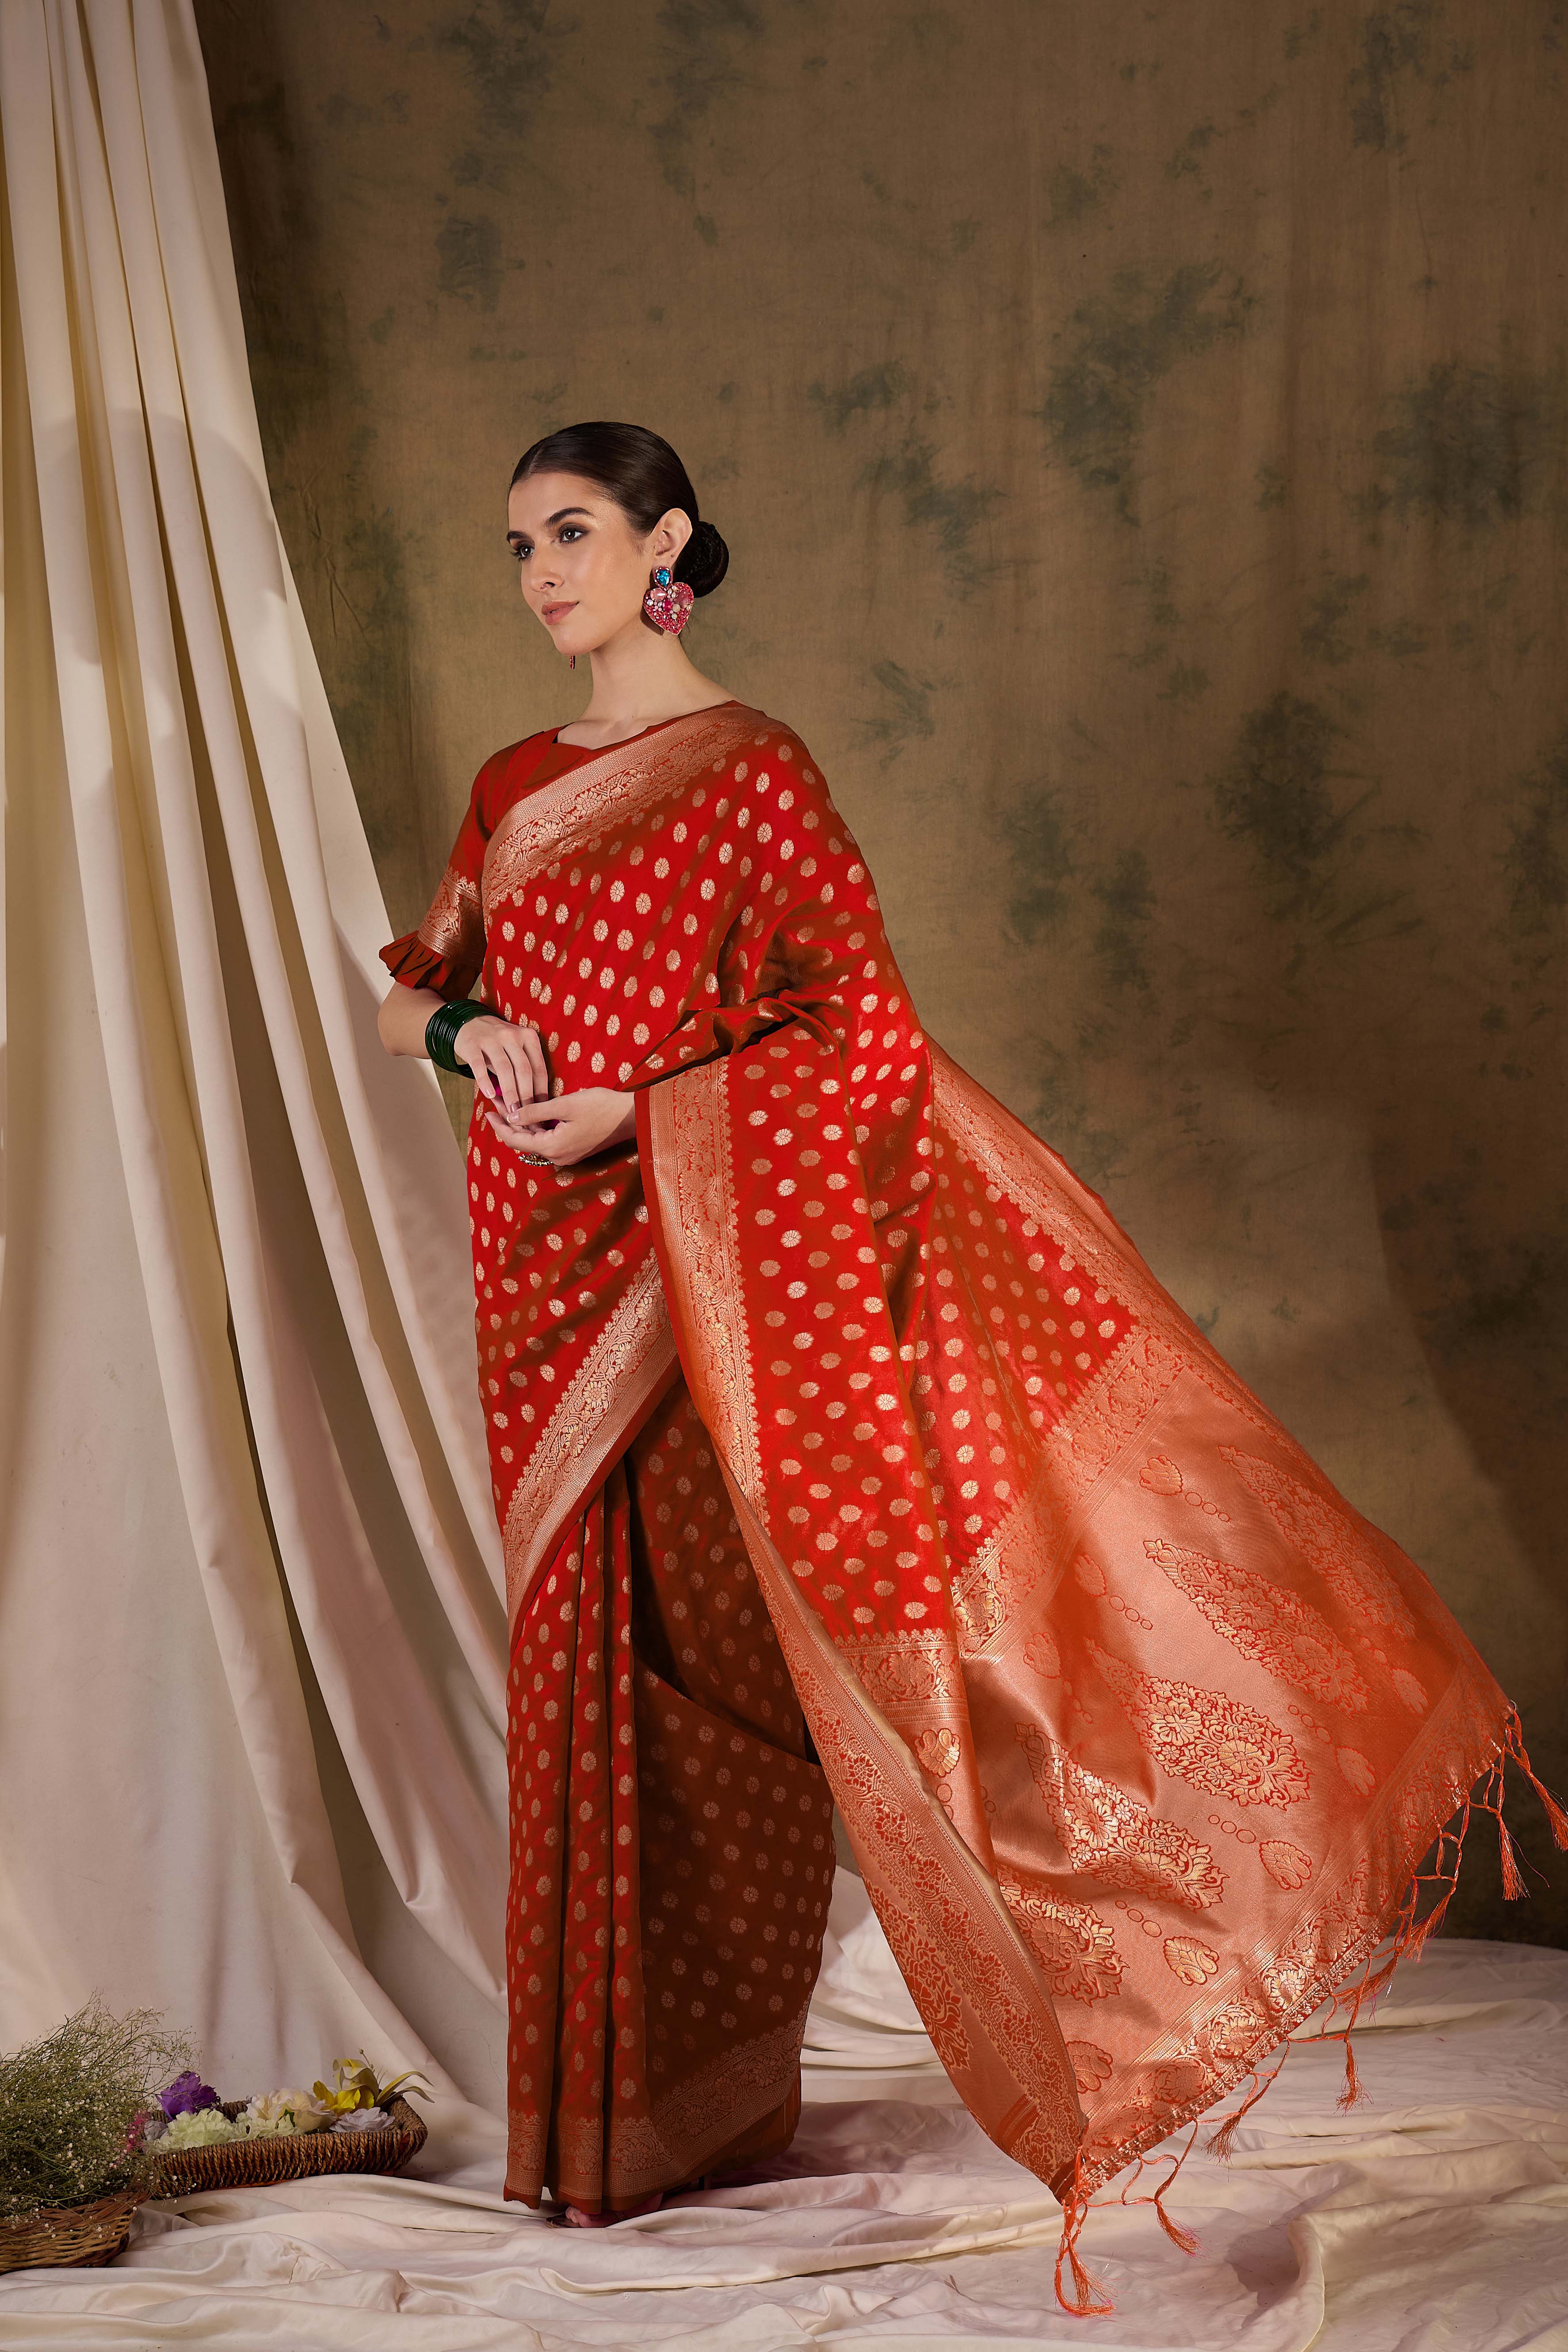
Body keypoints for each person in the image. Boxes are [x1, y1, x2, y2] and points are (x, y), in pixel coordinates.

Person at [378, 420, 1559, 2308]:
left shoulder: (753, 768)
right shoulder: (515, 782)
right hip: (544, 1276)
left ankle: (713, 2106)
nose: (541, 574)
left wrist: (641, 1110)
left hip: (704, 1276)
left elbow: (853, 1027)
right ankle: (589, 2128)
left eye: (574, 533)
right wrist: (476, 1047)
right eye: (519, 543)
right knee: (585, 1672)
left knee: (722, 1673)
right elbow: (420, 982)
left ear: (668, 544)